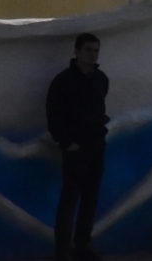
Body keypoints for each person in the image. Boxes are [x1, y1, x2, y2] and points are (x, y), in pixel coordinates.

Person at [46, 32, 108, 261]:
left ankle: (82, 246)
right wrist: (67, 143)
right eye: (88, 50)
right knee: (69, 199)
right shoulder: (63, 81)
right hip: (75, 148)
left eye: (96, 51)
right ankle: (62, 250)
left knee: (90, 198)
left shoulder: (101, 79)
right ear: (77, 51)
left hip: (96, 145)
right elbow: (53, 115)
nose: (92, 55)